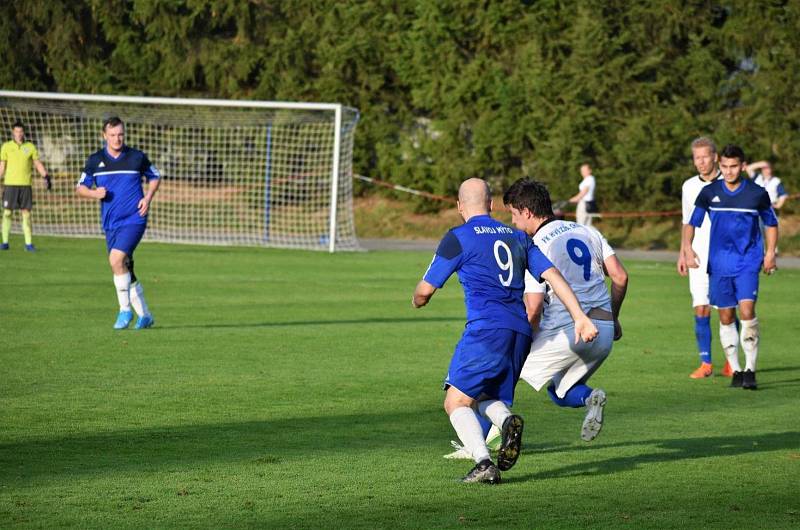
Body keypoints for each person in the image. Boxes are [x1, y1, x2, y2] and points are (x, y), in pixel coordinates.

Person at [412, 178, 598, 484]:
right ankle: (506, 420)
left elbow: (425, 291)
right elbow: (552, 274)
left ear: (460, 206)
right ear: (491, 205)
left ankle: (483, 463)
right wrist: (579, 315)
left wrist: (417, 300)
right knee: (484, 396)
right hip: (519, 333)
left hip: (486, 330)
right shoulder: (517, 236)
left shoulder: (458, 237)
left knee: (456, 402)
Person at [505, 178, 628, 442]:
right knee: (561, 391)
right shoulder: (587, 231)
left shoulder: (535, 245)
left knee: (500, 373)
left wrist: (520, 341)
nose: (513, 223)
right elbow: (620, 276)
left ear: (526, 212)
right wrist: (614, 317)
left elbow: (534, 308)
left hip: (567, 332)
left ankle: (479, 446)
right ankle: (590, 397)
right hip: (603, 332)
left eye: (513, 215)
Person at [683, 145, 778, 390]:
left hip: (747, 262)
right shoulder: (709, 192)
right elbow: (691, 223)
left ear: (743, 166)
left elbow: (770, 223)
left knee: (747, 312)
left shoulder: (757, 193)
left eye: (733, 166)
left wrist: (769, 253)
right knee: (725, 317)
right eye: (724, 166)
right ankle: (735, 370)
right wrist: (687, 248)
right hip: (719, 264)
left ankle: (750, 370)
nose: (728, 171)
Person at [76, 117, 160, 330]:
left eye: (120, 134)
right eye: (112, 135)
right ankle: (145, 315)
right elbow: (80, 187)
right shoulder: (95, 160)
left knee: (116, 260)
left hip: (134, 219)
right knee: (124, 267)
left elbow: (155, 176)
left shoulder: (136, 157)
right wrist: (95, 193)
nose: (117, 138)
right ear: (104, 136)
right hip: (110, 223)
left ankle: (124, 311)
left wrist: (147, 198)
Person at [677, 137, 732, 379]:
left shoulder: (730, 182)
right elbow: (686, 221)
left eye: (705, 157)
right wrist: (683, 251)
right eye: (696, 157)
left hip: (725, 257)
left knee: (726, 312)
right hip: (697, 256)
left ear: (716, 157)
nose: (700, 162)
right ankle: (706, 363)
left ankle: (732, 361)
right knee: (701, 309)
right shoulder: (688, 186)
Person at [0, 121, 51, 251]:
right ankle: (5, 242)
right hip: (10, 185)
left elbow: (37, 163)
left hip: (25, 186)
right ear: (13, 132)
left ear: (23, 133)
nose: (18, 134)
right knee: (7, 213)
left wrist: (46, 176)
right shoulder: (6, 147)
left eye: (21, 131)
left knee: (26, 215)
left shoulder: (30, 147)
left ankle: (28, 244)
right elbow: (2, 166)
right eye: (16, 131)